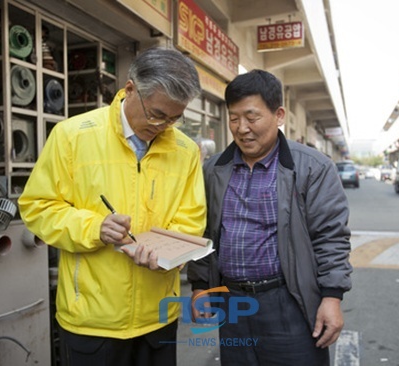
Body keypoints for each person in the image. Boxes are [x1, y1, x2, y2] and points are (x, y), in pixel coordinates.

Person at [18, 47, 206, 366]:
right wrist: (95, 228)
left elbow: (191, 218)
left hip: (158, 314)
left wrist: (168, 253)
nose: (163, 126)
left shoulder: (185, 151)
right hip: (92, 318)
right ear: (130, 89)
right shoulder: (72, 136)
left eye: (175, 118)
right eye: (157, 114)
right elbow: (38, 206)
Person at [187, 69, 352, 365]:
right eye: (234, 118)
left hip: (288, 301)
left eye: (252, 117)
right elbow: (204, 232)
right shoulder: (214, 170)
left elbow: (330, 237)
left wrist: (332, 296)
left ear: (279, 115)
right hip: (232, 302)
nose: (242, 128)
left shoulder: (312, 168)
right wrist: (200, 285)